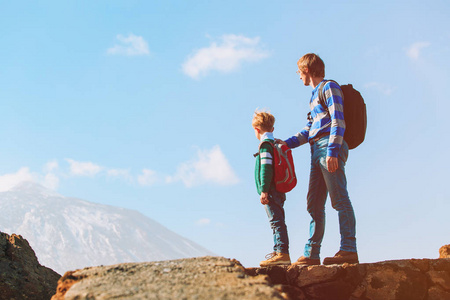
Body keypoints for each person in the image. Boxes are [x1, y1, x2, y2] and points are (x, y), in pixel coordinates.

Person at [277, 53, 358, 266]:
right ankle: (312, 254)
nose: (298, 76)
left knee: (339, 199)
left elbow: (338, 119)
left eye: (299, 71)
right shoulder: (313, 96)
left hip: (328, 148)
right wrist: (286, 144)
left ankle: (349, 249)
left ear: (307, 70)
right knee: (314, 203)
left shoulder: (329, 87)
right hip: (316, 150)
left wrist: (332, 151)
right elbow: (309, 130)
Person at [252, 110, 291, 267]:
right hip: (279, 189)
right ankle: (279, 251)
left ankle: (282, 252)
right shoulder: (275, 144)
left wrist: (264, 190)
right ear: (272, 129)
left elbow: (266, 169)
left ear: (257, 129)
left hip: (271, 190)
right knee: (278, 220)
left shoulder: (265, 146)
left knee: (276, 221)